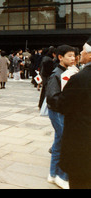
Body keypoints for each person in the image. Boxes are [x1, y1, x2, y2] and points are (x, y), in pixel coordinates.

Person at [58, 38, 91, 189]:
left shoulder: (79, 79)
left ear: (90, 55)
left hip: (82, 144)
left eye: (83, 51)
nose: (80, 54)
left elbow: (63, 106)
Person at [45, 44, 76, 189]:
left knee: (58, 142)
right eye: (69, 55)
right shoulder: (56, 74)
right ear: (60, 57)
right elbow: (51, 97)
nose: (73, 58)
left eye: (74, 55)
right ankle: (62, 175)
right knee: (66, 142)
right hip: (57, 111)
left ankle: (52, 174)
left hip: (62, 111)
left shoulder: (68, 71)